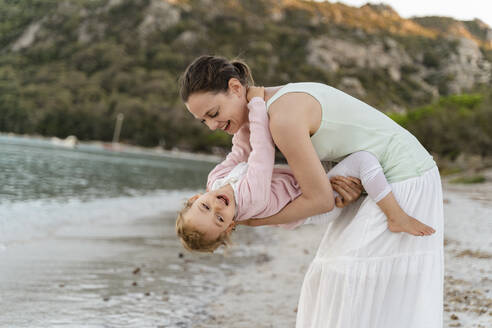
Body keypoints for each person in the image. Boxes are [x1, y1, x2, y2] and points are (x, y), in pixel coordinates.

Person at [179, 55, 444, 328]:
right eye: (203, 121)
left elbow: (318, 199)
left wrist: (255, 221)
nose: (211, 126)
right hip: (372, 181)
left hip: (404, 175)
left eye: (213, 114)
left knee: (351, 282)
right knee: (336, 281)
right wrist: (337, 185)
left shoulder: (281, 118)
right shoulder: (270, 107)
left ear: (236, 88)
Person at [176, 87, 434, 252]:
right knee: (365, 160)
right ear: (231, 225)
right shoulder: (249, 199)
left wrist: (241, 118)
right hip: (312, 206)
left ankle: (372, 193)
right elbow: (262, 152)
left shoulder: (215, 180)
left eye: (205, 207)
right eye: (220, 219)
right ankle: (395, 216)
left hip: (307, 186)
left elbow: (241, 150)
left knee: (359, 164)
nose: (217, 208)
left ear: (195, 198)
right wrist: (255, 105)